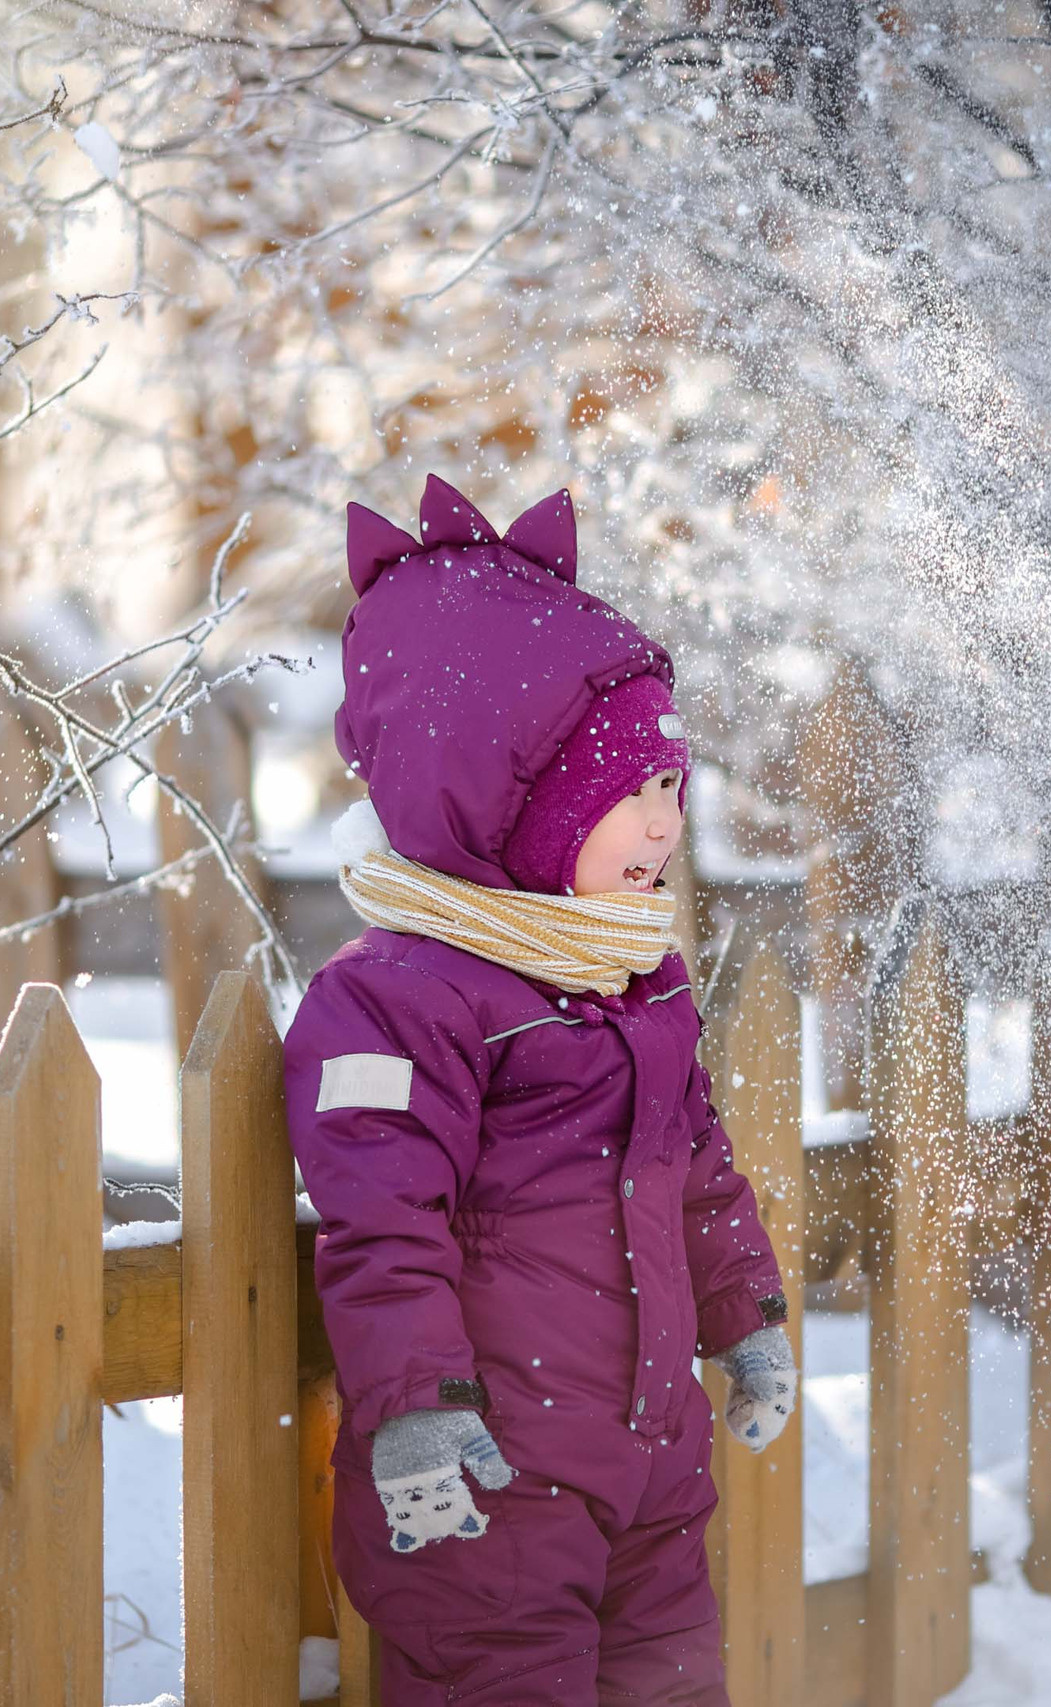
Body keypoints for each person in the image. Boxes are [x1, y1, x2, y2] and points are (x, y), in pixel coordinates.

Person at [284, 475, 798, 1705]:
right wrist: (414, 1410)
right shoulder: (401, 997)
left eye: (673, 786)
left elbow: (695, 1166)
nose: (663, 823)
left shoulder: (633, 979)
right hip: (483, 1488)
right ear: (504, 797)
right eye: (628, 791)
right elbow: (383, 1226)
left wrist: (746, 1313)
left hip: (650, 1471)